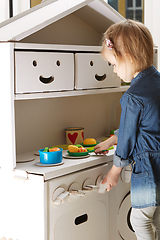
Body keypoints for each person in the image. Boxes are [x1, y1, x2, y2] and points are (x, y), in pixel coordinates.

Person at [94, 19, 160, 240]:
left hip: (149, 170)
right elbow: (145, 126)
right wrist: (112, 139)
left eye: (113, 64)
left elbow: (130, 136)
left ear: (128, 58)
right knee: (156, 219)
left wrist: (115, 170)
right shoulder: (156, 84)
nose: (114, 71)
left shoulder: (133, 96)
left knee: (139, 220)